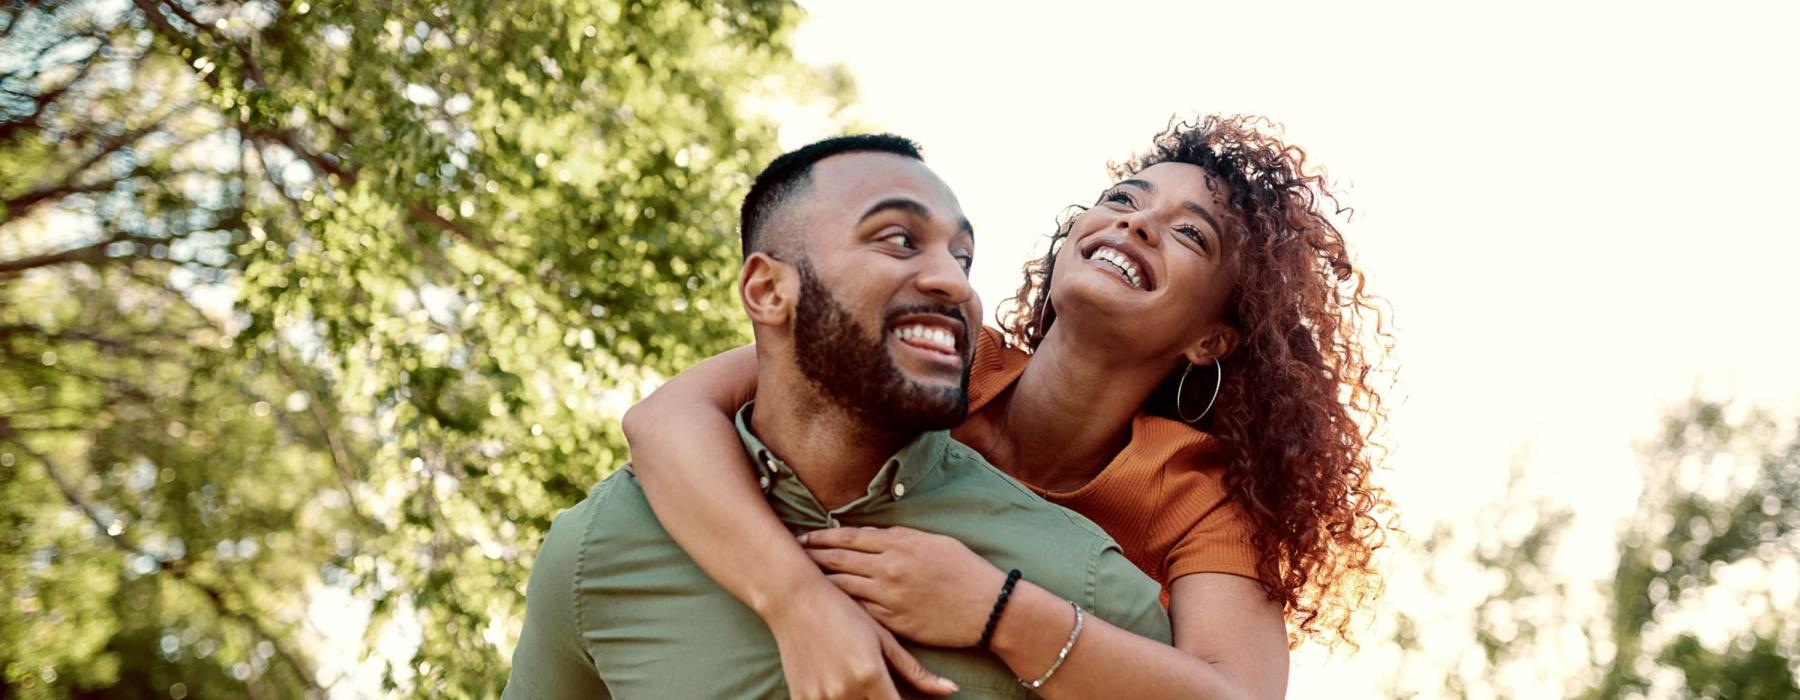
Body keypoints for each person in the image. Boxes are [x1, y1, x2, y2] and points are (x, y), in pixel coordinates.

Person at [623, 115, 1393, 698]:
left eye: (1190, 234)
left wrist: (995, 610)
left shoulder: (1196, 495)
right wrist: (797, 605)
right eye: (1125, 198)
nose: (1135, 223)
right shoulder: (938, 357)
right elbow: (663, 420)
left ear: (1210, 340)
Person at [504, 134, 1172, 699]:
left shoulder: (1088, 588)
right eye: (899, 239)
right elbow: (658, 417)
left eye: (962, 258)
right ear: (768, 290)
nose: (956, 283)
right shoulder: (601, 550)